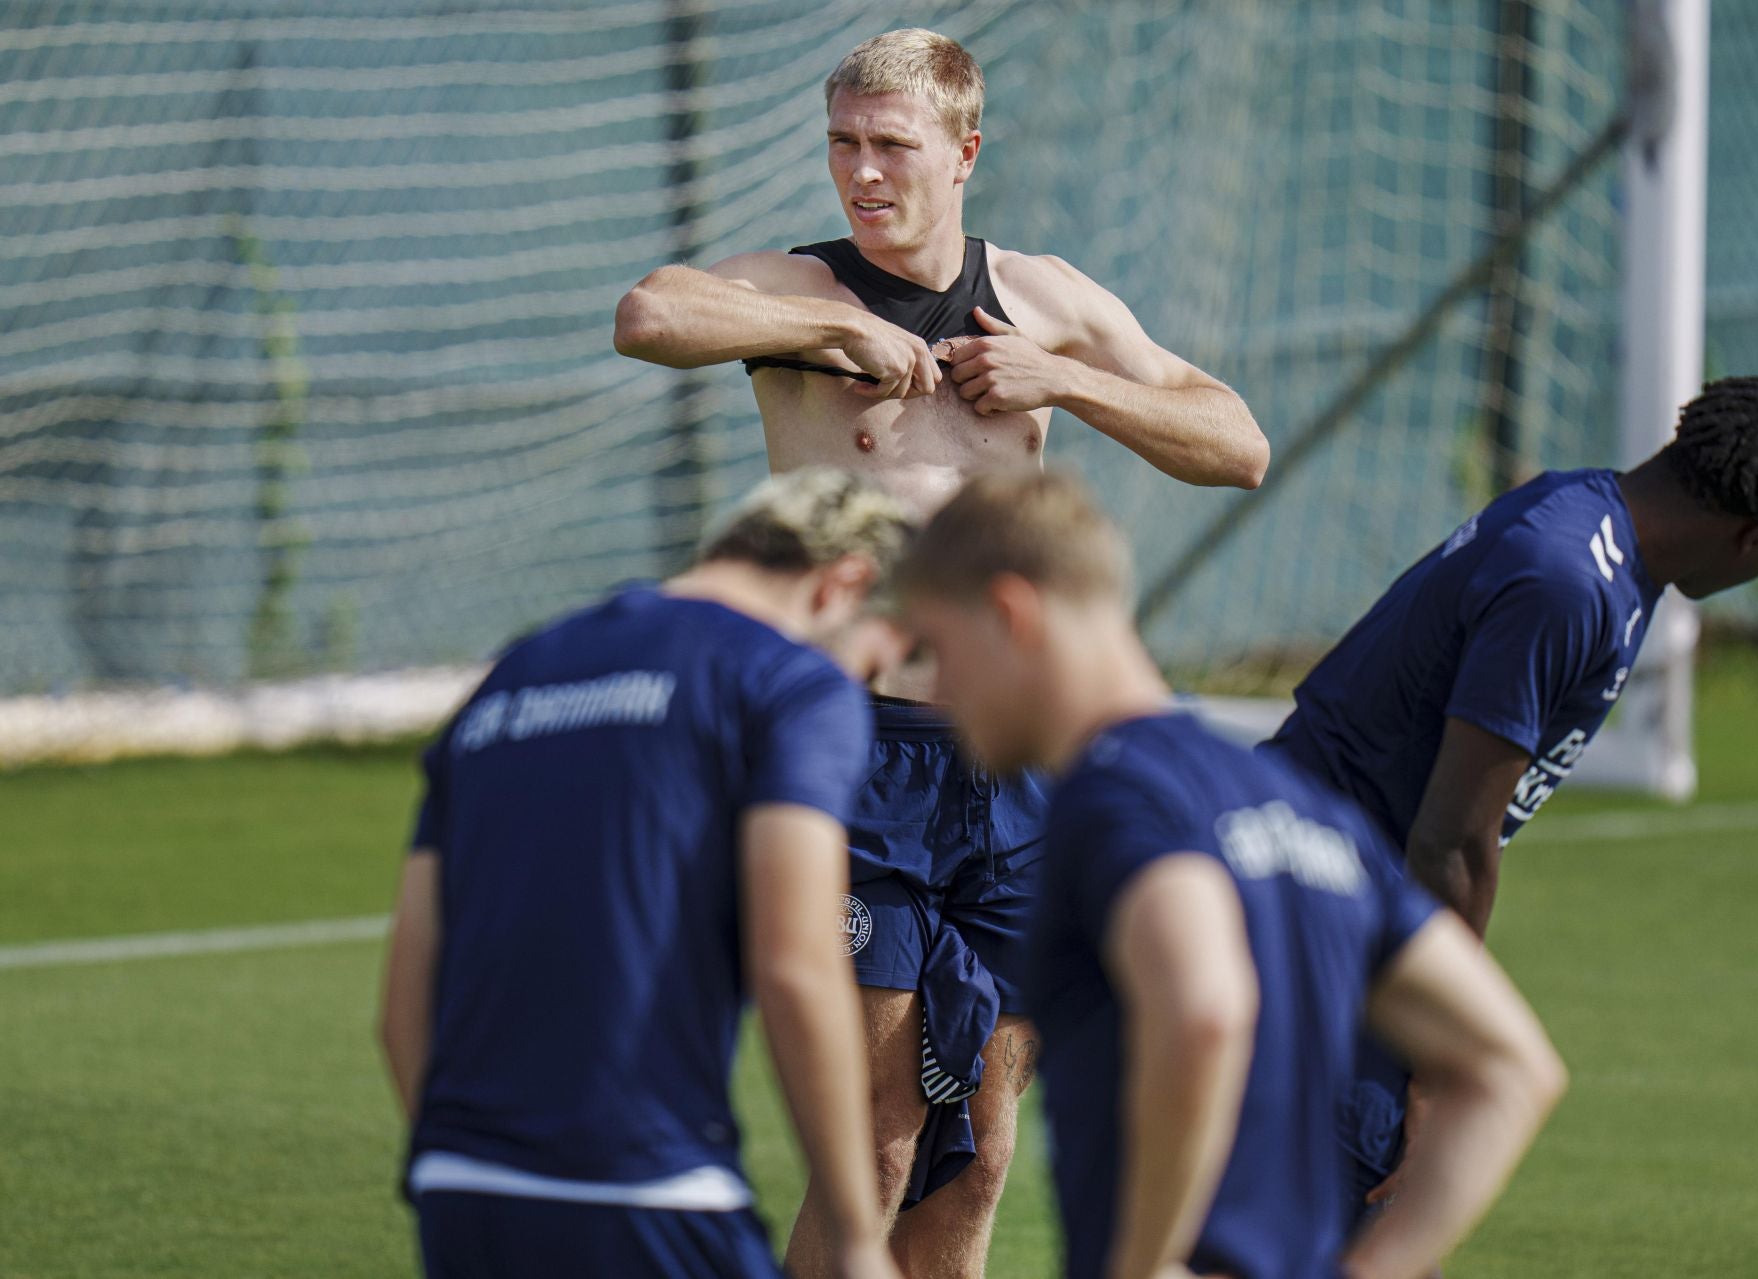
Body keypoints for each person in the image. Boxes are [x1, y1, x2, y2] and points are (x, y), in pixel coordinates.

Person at [614, 27, 1270, 1275]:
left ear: (965, 151)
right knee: (871, 1151)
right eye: (842, 144)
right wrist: (823, 338)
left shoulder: (1045, 298)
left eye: (891, 146)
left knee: (977, 1158)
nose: (861, 172)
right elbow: (650, 312)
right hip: (856, 758)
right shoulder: (799, 290)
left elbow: (1235, 442)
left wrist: (1063, 382)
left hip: (1013, 762)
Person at [896, 470, 1567, 1279]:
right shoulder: (1299, 805)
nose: (937, 689)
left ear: (1010, 614)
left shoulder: (1113, 796)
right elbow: (1511, 1066)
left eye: (938, 650)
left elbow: (1205, 1006)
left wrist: (1142, 1264)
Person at [1257, 375, 1758, 1223]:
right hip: (1325, 911)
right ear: (1756, 538)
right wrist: (1444, 1059)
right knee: (1350, 1232)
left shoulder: (1589, 519)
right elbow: (1453, 841)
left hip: (1339, 902)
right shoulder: (1567, 580)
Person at [377, 469, 915, 1279]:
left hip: (461, 1191)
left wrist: (468, 1173)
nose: (866, 691)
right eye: (880, 663)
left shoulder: (514, 674)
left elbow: (402, 1000)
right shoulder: (788, 684)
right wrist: (854, 1235)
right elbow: (797, 963)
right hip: (651, 1190)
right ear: (846, 584)